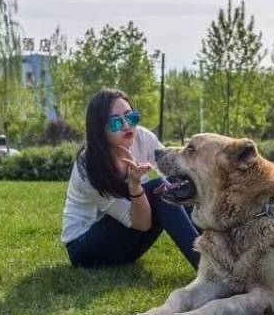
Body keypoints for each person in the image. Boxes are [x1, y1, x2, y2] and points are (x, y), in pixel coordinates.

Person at [61, 88, 200, 269]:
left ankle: (221, 257)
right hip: (85, 248)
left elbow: (177, 172)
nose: (127, 126)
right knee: (160, 189)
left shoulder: (142, 137)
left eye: (131, 117)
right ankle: (208, 270)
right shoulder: (88, 168)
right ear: (99, 128)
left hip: (127, 245)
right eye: (116, 123)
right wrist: (135, 186)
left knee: (178, 186)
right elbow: (142, 224)